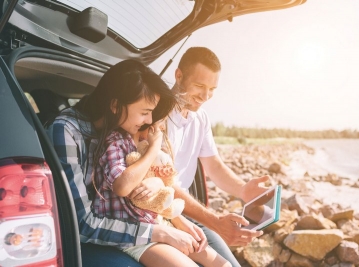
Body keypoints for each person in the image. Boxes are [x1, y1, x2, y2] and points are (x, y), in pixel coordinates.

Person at [46, 59, 209, 267]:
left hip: (143, 221)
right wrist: (158, 233)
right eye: (144, 112)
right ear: (115, 105)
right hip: (88, 239)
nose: (149, 120)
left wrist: (176, 219)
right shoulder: (67, 131)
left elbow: (147, 182)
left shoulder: (125, 129)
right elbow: (82, 224)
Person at [167, 47, 270, 267]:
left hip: (190, 214)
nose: (205, 96)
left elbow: (213, 165)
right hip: (165, 214)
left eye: (212, 89)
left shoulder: (200, 117)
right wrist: (215, 222)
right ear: (179, 76)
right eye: (200, 86)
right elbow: (164, 185)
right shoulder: (157, 114)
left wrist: (243, 190)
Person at [93, 110, 232, 267]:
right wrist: (154, 147)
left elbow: (165, 184)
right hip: (137, 235)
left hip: (159, 222)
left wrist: (160, 185)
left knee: (223, 264)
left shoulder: (145, 147)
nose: (162, 129)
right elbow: (128, 188)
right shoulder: (117, 142)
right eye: (160, 125)